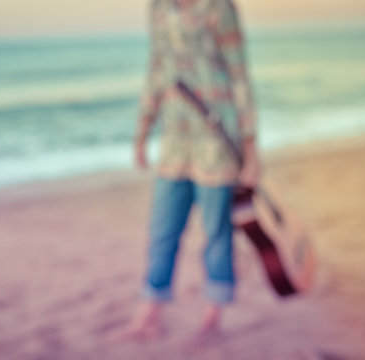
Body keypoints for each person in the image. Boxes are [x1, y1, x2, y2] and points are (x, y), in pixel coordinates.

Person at [118, 0, 260, 343]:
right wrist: (143, 130)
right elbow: (156, 68)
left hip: (216, 137)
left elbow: (239, 76)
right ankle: (150, 309)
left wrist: (251, 149)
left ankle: (214, 311)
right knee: (163, 229)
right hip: (175, 136)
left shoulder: (219, 7)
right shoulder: (159, 7)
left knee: (216, 232)